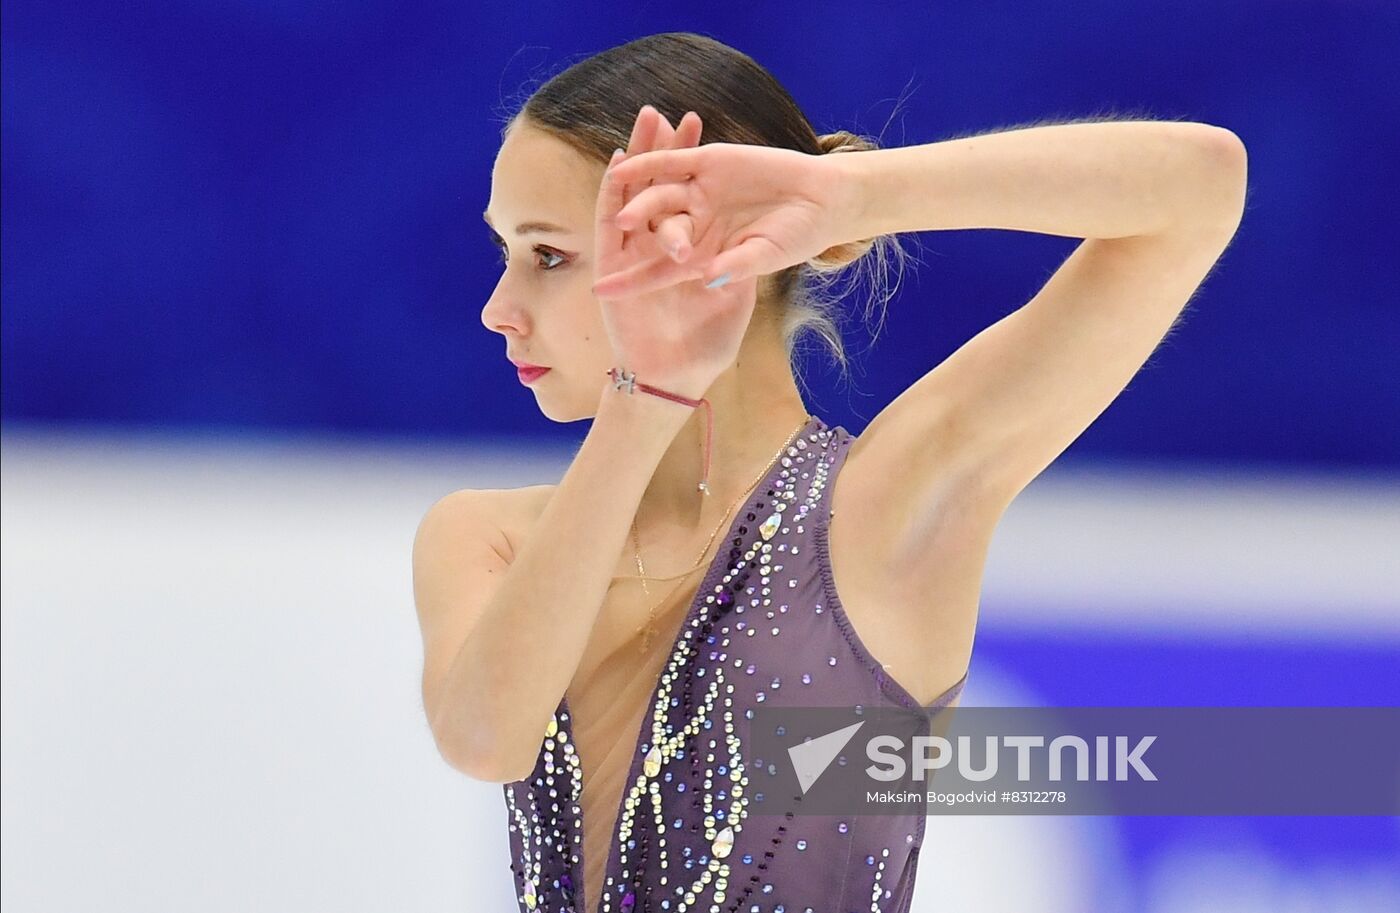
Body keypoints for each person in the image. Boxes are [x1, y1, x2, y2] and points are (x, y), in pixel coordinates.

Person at [412, 31, 1246, 913]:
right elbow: (484, 738)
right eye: (505, 253)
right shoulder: (487, 536)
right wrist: (643, 397)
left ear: (697, 248)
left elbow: (1200, 186)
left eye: (547, 255)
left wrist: (848, 195)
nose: (497, 310)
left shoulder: (884, 509)